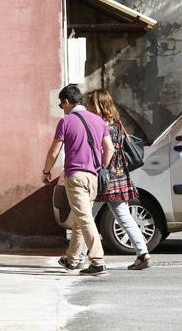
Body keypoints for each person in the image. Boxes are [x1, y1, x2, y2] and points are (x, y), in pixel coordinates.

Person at [42, 84, 114, 276]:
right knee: (81, 219)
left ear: (66, 102)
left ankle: (98, 261)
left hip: (75, 176)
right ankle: (73, 260)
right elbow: (110, 149)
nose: (62, 108)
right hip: (94, 176)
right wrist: (102, 168)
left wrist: (46, 171)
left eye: (61, 104)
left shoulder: (66, 122)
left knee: (83, 218)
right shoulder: (99, 121)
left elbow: (54, 151)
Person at [86, 89, 152, 270]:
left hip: (104, 176)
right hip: (119, 175)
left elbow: (106, 150)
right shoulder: (116, 123)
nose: (87, 106)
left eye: (90, 102)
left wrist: (102, 169)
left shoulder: (99, 124)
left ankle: (80, 256)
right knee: (123, 216)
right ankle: (143, 253)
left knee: (86, 216)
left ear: (98, 104)